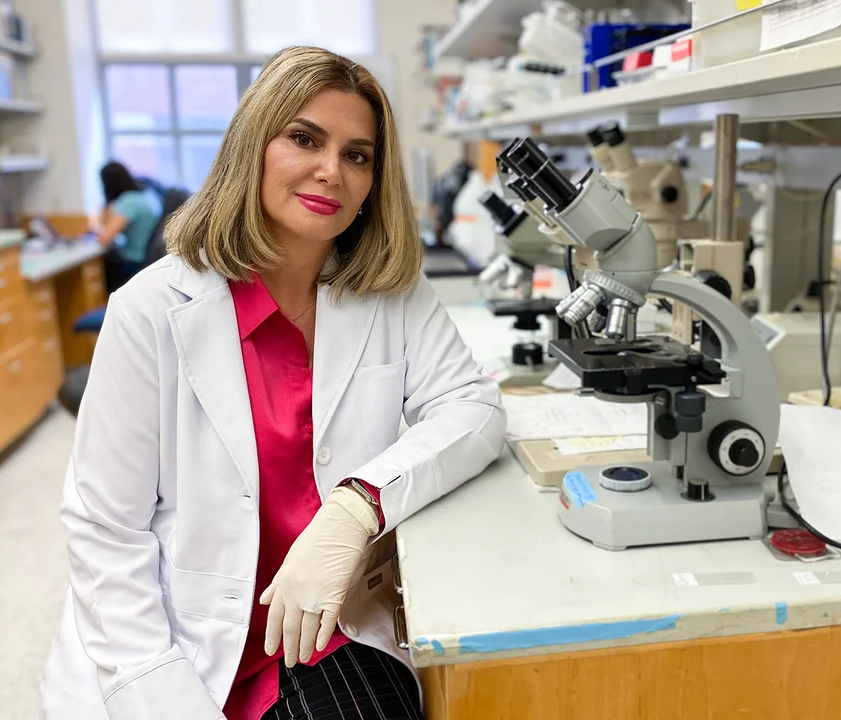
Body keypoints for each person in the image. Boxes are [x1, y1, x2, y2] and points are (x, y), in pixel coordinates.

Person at [38, 47, 506, 720]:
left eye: (358, 155)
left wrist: (356, 506)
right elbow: (105, 533)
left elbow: (474, 409)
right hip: (174, 642)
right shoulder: (151, 309)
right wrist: (157, 689)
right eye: (305, 139)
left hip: (321, 627)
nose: (331, 171)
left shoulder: (389, 293)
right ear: (254, 144)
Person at [97, 161, 164, 291]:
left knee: (104, 264)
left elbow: (104, 238)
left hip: (133, 261)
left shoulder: (129, 201)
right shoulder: (147, 194)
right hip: (148, 259)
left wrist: (107, 206)